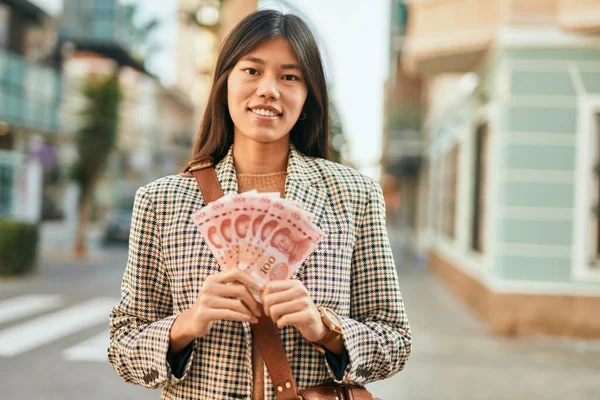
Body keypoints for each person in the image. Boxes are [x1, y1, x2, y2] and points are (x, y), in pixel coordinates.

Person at [108, 10, 411, 400]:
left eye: (289, 76)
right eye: (252, 70)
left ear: (308, 94)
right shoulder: (161, 201)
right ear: (224, 82)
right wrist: (188, 323)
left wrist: (326, 329)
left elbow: (395, 340)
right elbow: (122, 346)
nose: (269, 89)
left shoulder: (353, 195)